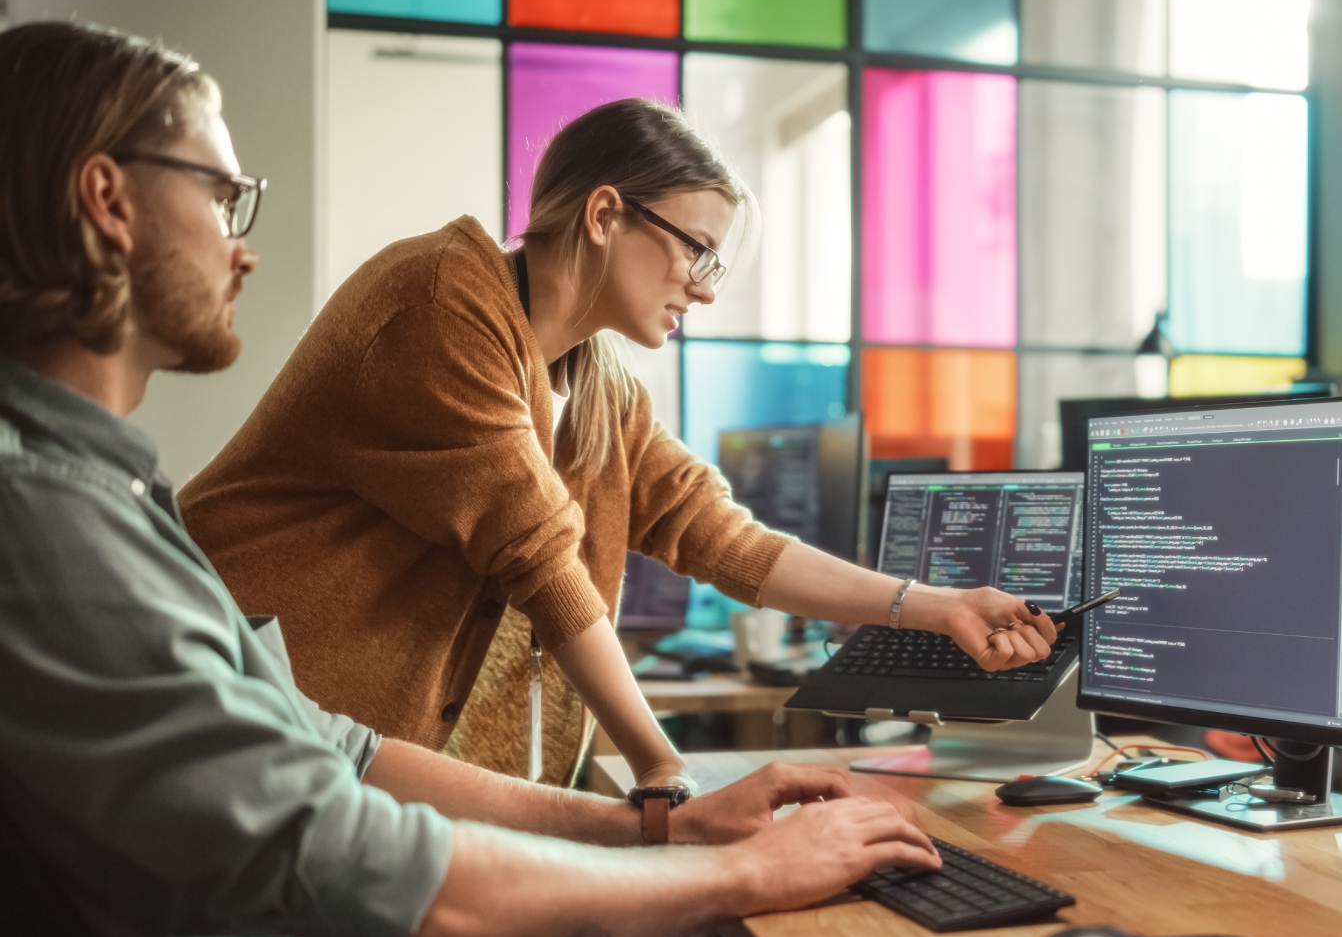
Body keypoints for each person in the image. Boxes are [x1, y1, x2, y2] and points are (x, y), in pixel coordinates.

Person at [0, 20, 942, 937]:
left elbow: (339, 753)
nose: (244, 247)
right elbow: (373, 860)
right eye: (222, 195)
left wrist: (668, 825)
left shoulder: (106, 501)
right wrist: (715, 845)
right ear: (108, 199)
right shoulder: (47, 526)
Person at [177, 98, 1059, 792]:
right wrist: (663, 767)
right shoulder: (444, 303)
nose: (704, 292)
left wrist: (939, 606)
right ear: (605, 214)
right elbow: (541, 560)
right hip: (233, 728)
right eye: (696, 254)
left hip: (360, 773)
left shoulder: (597, 386)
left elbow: (723, 538)